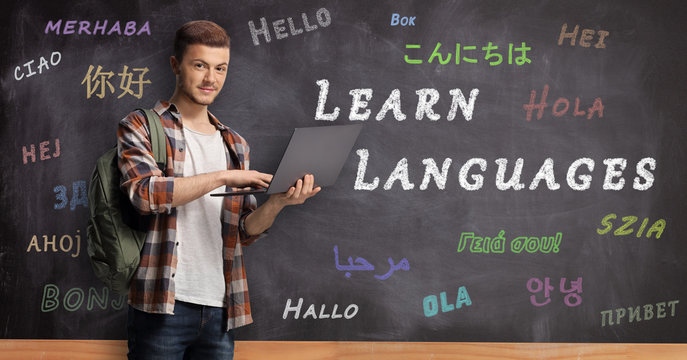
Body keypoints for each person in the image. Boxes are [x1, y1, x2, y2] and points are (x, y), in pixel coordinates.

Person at [118, 20, 320, 359]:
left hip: (220, 308)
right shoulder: (140, 125)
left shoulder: (235, 144)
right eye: (200, 66)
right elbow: (144, 194)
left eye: (220, 68)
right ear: (175, 66)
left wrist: (279, 203)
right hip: (162, 305)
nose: (211, 79)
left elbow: (244, 231)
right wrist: (223, 177)